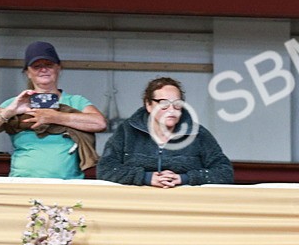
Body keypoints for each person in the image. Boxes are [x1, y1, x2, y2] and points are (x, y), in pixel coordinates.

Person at [0, 41, 106, 179]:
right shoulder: (17, 102)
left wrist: (54, 117)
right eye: (36, 66)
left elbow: (100, 123)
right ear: (28, 72)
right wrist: (10, 111)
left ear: (59, 68)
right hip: (23, 181)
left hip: (67, 182)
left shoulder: (75, 101)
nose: (43, 70)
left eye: (49, 65)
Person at [98, 77, 233, 187]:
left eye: (177, 104)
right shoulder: (127, 131)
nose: (171, 110)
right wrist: (145, 177)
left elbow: (225, 172)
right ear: (148, 105)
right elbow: (105, 169)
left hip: (185, 203)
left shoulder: (198, 134)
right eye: (163, 103)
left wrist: (184, 178)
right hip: (137, 203)